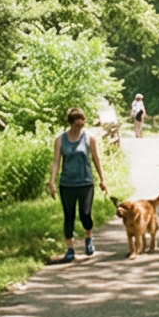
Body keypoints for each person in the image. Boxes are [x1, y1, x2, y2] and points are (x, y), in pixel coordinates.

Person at [49, 109, 103, 261]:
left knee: (85, 214)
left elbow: (96, 159)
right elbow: (56, 162)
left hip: (85, 182)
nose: (80, 127)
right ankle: (70, 248)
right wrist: (52, 181)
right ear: (71, 123)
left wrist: (102, 179)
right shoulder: (60, 139)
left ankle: (88, 238)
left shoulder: (89, 137)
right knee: (69, 216)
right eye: (77, 124)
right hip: (67, 183)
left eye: (82, 123)